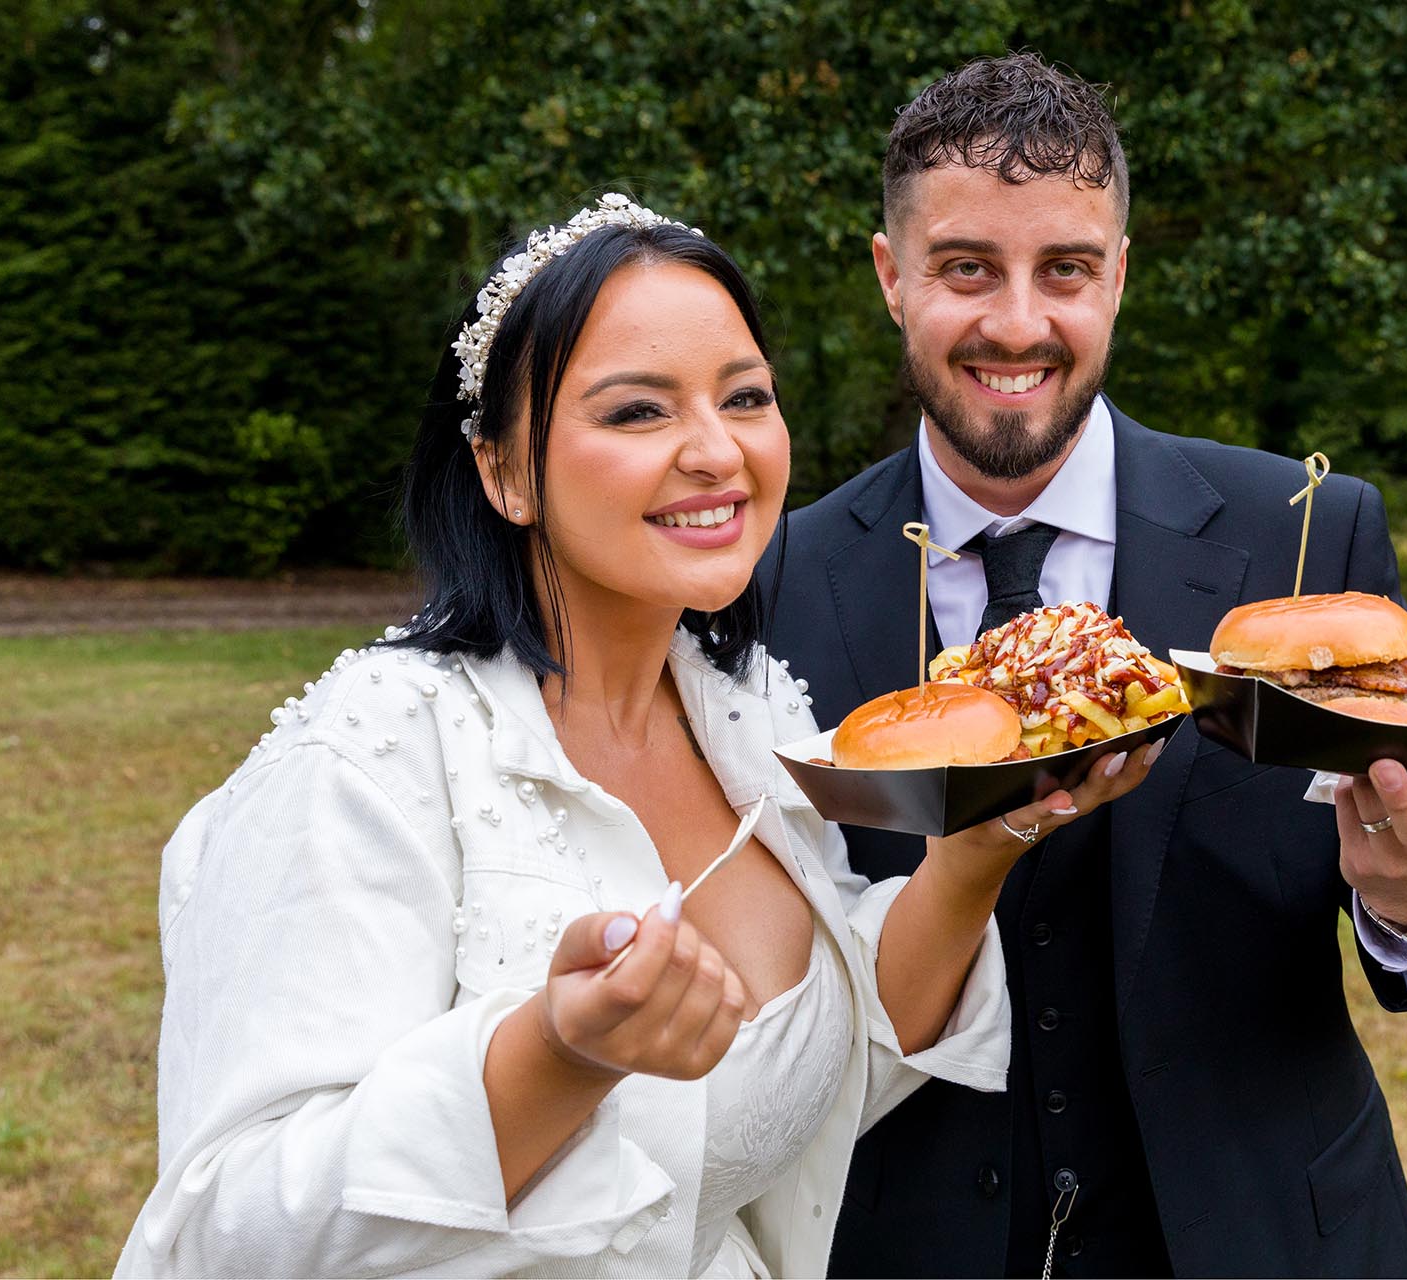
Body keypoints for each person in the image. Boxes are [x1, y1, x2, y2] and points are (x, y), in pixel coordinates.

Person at [114, 194, 1158, 1278]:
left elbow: (824, 1064)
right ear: (503, 470)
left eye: (745, 396)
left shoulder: (753, 713)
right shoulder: (364, 757)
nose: (716, 451)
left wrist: (983, 842)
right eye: (636, 412)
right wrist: (560, 1053)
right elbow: (225, 1226)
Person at [759, 55, 1407, 1276]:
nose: (1018, 322)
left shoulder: (1304, 533)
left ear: (1118, 275)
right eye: (967, 267)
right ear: (890, 276)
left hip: (1264, 1235)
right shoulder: (774, 577)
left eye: (1064, 268)